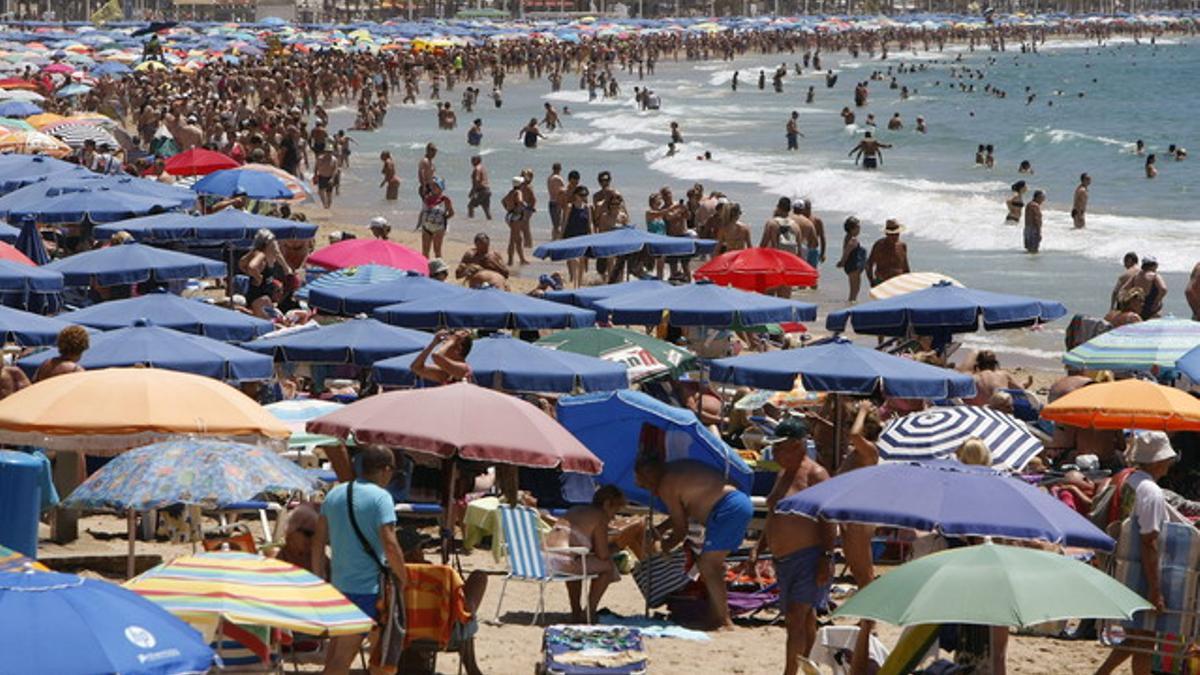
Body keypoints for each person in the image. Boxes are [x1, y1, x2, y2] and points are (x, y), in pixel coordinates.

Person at [746, 417, 833, 672]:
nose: (773, 452)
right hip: (783, 561)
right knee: (805, 619)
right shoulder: (783, 473)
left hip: (810, 556)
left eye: (779, 447)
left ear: (797, 445)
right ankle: (809, 666)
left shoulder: (816, 475)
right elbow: (774, 514)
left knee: (795, 618)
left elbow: (828, 519)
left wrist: (826, 558)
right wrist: (758, 548)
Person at [313, 446, 406, 674]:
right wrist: (404, 578)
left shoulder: (335, 494)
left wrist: (319, 579)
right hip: (367, 590)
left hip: (339, 587)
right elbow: (390, 544)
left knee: (363, 655)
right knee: (341, 660)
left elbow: (318, 542)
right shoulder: (381, 498)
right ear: (385, 470)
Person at [1095, 431, 1182, 675]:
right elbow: (1148, 541)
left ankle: (1101, 673)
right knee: (1145, 638)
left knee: (1139, 636)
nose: (1169, 463)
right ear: (1157, 461)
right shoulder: (1150, 491)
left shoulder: (1123, 478)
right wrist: (1156, 589)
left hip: (1117, 565)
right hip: (1138, 571)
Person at [635, 454, 753, 631]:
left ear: (649, 475)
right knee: (713, 567)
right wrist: (661, 529)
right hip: (733, 504)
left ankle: (724, 620)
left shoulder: (666, 484)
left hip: (727, 508)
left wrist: (663, 547)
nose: (643, 487)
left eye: (644, 483)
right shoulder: (676, 470)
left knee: (708, 564)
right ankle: (715, 616)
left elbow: (680, 530)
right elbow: (685, 511)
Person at [545, 485, 627, 622]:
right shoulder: (600, 516)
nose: (614, 516)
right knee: (607, 567)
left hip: (545, 558)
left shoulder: (575, 509)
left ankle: (576, 610)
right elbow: (603, 555)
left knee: (577, 562)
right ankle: (589, 611)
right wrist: (618, 545)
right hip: (563, 561)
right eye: (616, 509)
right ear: (607, 504)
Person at [965, 350, 1032, 407]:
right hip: (1002, 412)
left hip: (981, 414)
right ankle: (1024, 383)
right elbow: (1021, 391)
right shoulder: (1003, 374)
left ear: (978, 365)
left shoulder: (971, 378)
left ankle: (1024, 383)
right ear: (995, 364)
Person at [417, 177, 454, 259]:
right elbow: (423, 212)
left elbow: (451, 213)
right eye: (432, 185)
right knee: (425, 251)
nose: (433, 187)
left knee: (437, 251)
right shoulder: (427, 198)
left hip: (439, 228)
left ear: (441, 188)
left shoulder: (445, 200)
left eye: (435, 186)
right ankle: (425, 269)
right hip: (426, 227)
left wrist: (444, 218)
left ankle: (439, 270)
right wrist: (419, 224)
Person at [865, 220, 910, 286]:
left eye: (897, 234)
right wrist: (872, 281)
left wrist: (908, 282)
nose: (895, 236)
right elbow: (869, 264)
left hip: (899, 282)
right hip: (882, 282)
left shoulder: (902, 246)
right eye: (892, 234)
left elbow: (905, 267)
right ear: (887, 234)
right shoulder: (879, 246)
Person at [1121, 256, 1168, 320]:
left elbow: (1124, 289)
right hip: (1152, 309)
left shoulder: (1136, 276)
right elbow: (1163, 289)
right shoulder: (1154, 276)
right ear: (1154, 265)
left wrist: (1129, 302)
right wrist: (1157, 301)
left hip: (1138, 309)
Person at [836, 216, 867, 303]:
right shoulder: (852, 240)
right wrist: (842, 262)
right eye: (858, 227)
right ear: (852, 229)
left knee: (854, 289)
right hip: (853, 266)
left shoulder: (847, 237)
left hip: (851, 265)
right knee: (855, 290)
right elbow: (847, 252)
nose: (859, 228)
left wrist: (842, 262)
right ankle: (851, 305)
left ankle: (851, 303)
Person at [467, 155, 492, 220]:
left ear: (477, 160)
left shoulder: (476, 169)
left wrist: (472, 192)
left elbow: (476, 181)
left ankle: (470, 221)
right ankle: (490, 223)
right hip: (487, 190)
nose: (471, 162)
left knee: (470, 206)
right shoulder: (483, 168)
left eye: (473, 160)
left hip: (481, 191)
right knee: (486, 210)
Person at [547, 163, 566, 240]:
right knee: (558, 226)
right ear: (559, 169)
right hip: (557, 203)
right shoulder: (557, 178)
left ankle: (553, 240)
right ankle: (557, 241)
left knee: (555, 225)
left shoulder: (550, 178)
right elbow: (561, 191)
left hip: (552, 201)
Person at [1023, 189, 1045, 254]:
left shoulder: (1029, 204)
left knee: (1029, 251)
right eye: (1043, 198)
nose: (1043, 200)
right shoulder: (1035, 206)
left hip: (1027, 229)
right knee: (1034, 251)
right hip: (1033, 229)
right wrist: (1039, 232)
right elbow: (1036, 219)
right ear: (1038, 197)